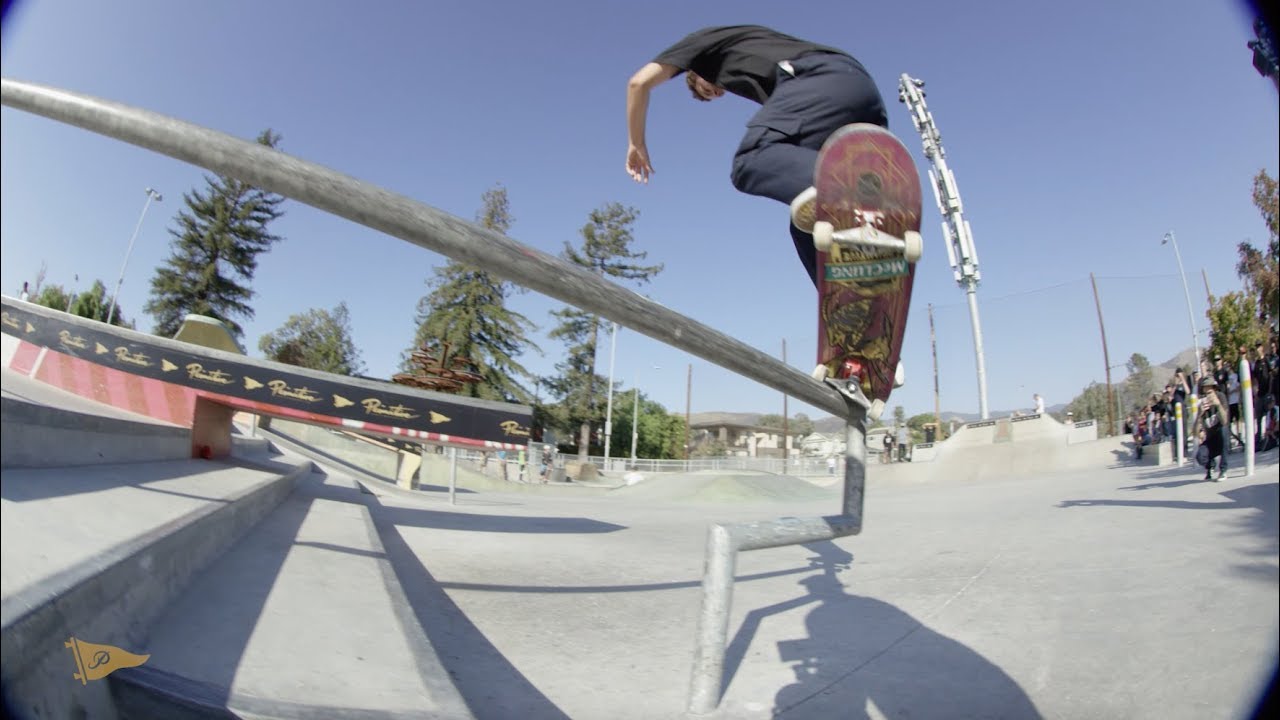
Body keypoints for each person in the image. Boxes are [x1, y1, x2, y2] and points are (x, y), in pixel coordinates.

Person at [626, 25, 888, 285]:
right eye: (716, 94)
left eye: (708, 89)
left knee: (751, 160)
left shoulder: (699, 44)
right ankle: (849, 290)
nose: (717, 91)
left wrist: (636, 144)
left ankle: (857, 189)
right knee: (805, 223)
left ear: (694, 73)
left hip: (817, 76)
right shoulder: (756, 54)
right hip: (860, 94)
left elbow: (638, 83)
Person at [1193, 377, 1229, 481]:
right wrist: (1199, 415)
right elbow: (1195, 433)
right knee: (1200, 456)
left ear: (1215, 390)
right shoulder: (1202, 405)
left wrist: (1217, 405)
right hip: (1211, 439)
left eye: (1210, 392)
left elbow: (1225, 421)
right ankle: (1210, 467)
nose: (1208, 396)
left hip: (1221, 437)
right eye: (1205, 393)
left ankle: (1223, 470)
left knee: (1224, 430)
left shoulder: (1221, 397)